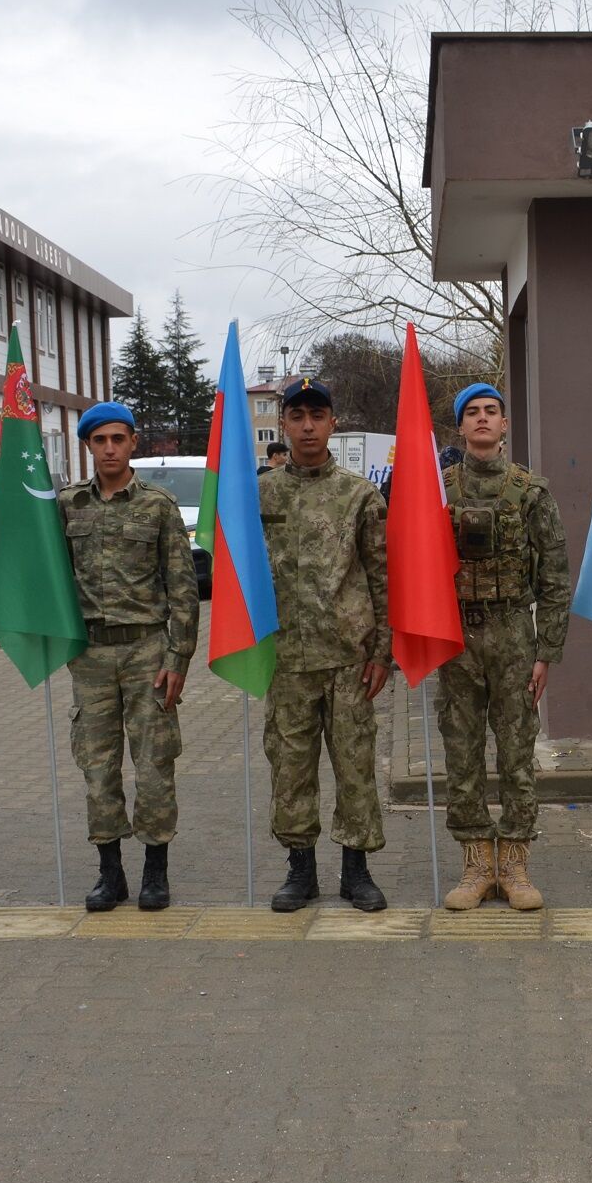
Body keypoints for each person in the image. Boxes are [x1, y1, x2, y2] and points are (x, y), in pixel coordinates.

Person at [59, 403, 201, 912]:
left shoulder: (158, 506)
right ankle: (110, 872)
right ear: (89, 446)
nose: (111, 448)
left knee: (154, 764)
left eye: (119, 438)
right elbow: (50, 578)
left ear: (134, 442)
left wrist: (178, 657)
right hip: (91, 653)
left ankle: (155, 871)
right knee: (97, 767)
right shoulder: (68, 505)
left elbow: (182, 589)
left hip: (147, 651)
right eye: (101, 440)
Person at [436, 383, 571, 911]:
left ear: (506, 424)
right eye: (473, 413)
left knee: (516, 750)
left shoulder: (533, 492)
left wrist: (546, 652)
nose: (484, 420)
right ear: (461, 427)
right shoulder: (439, 490)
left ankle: (514, 863)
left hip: (514, 631)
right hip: (457, 635)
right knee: (461, 749)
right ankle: (476, 864)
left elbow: (556, 579)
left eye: (492, 411)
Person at [259, 377, 392, 912]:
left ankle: (356, 871)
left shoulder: (359, 494)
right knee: (290, 766)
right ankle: (301, 870)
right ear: (285, 424)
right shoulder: (260, 492)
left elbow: (382, 575)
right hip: (286, 657)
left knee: (355, 765)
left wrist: (383, 651)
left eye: (318, 415)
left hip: (347, 657)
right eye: (298, 416)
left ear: (333, 423)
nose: (308, 425)